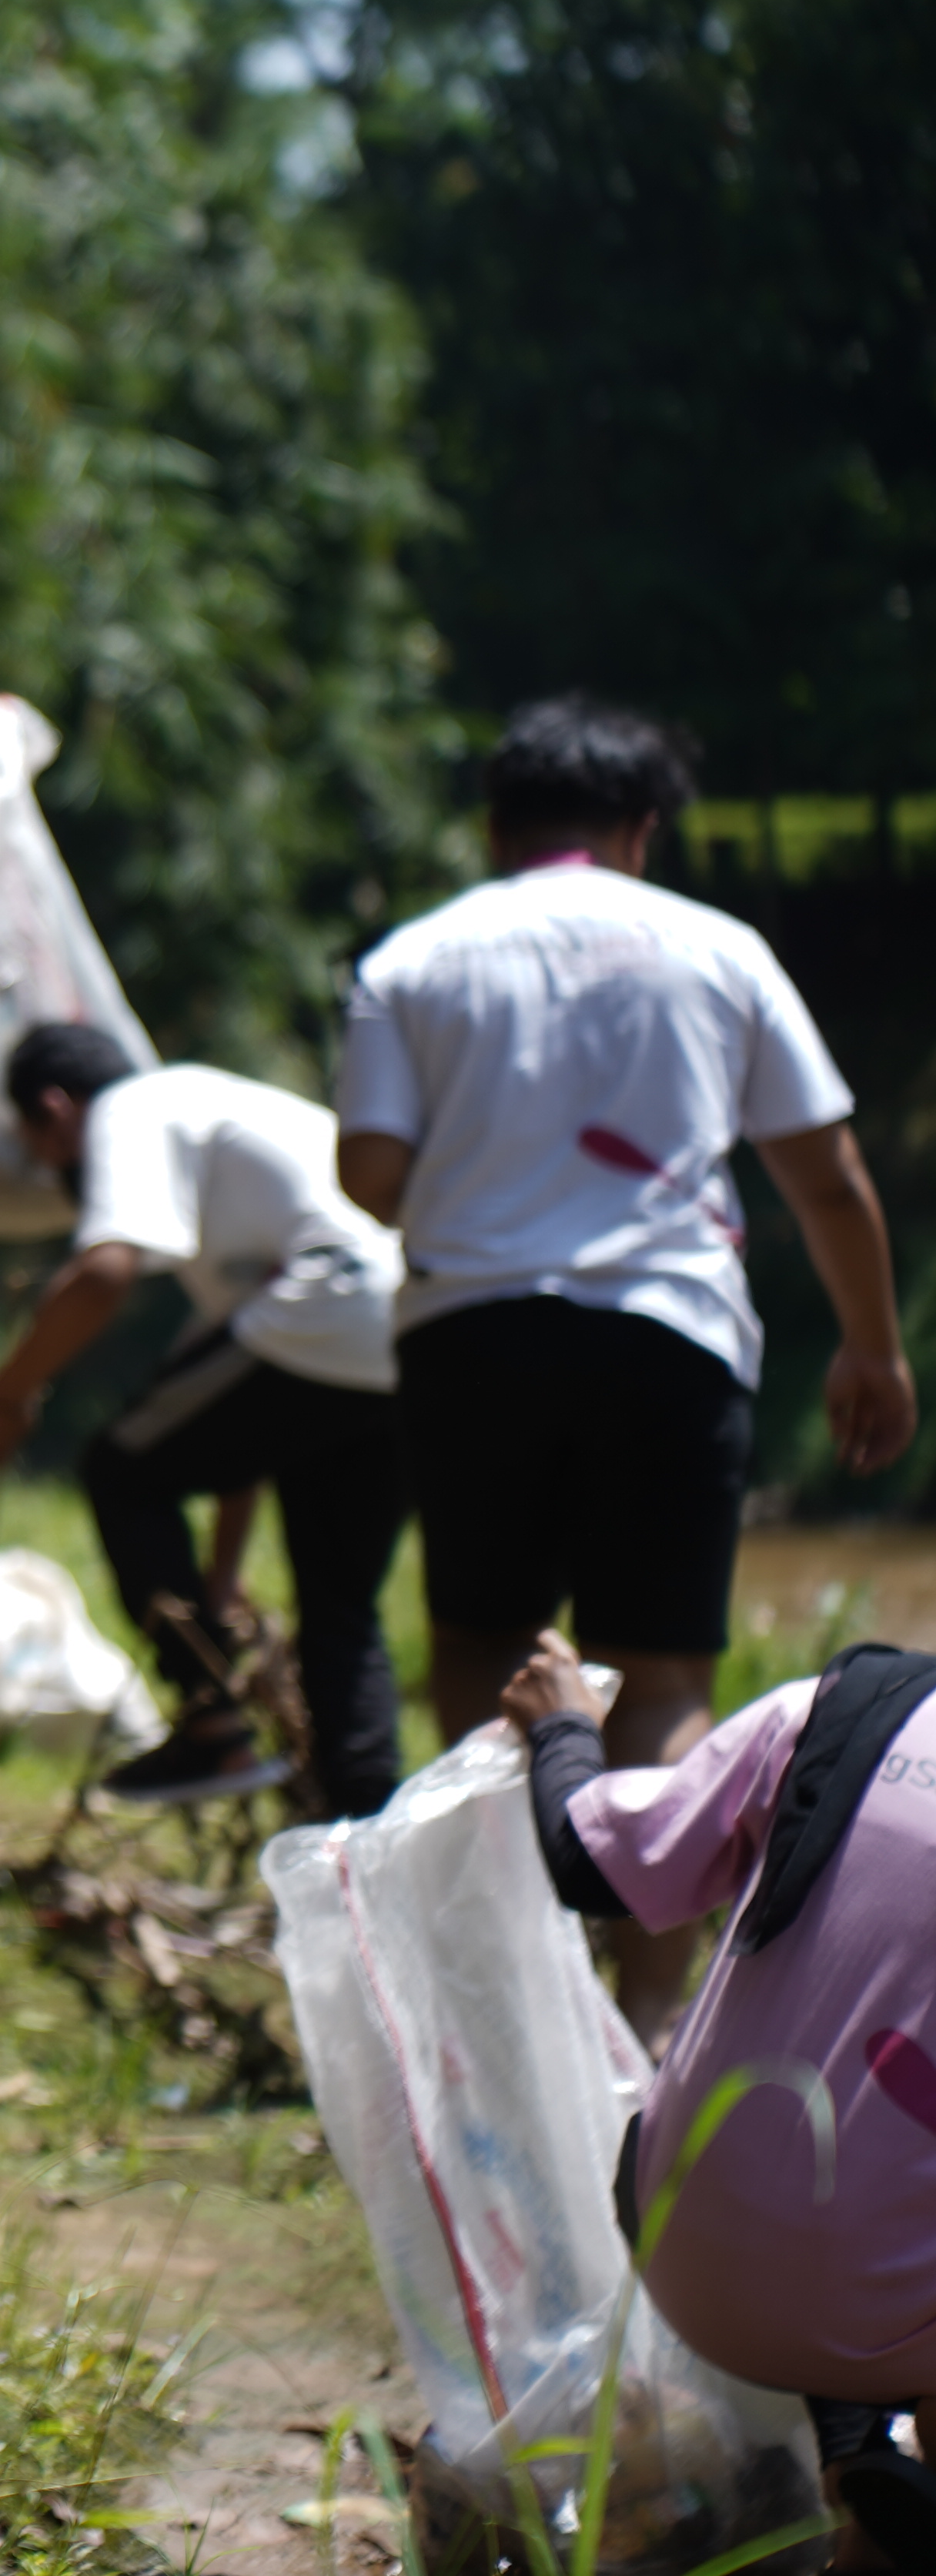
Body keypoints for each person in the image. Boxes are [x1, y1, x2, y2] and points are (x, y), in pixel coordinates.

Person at [339, 694, 915, 2032]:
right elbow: (823, 1174)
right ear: (643, 831)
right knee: (656, 1675)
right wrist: (873, 1344)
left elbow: (368, 1174)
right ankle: (655, 2025)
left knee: (486, 1653)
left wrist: (489, 1170)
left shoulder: (414, 958)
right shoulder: (721, 950)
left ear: (496, 828)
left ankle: (495, 2017)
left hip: (473, 1334)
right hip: (669, 1336)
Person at [507, 1636, 936, 2568]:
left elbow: (591, 1859)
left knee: (856, 2171)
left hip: (685, 2242)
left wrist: (566, 1727)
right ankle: (886, 2481)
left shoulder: (836, 1709)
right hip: (889, 2302)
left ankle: (865, 2479)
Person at [0, 1025, 408, 1818]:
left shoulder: (132, 1108)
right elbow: (233, 1412)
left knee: (119, 1466)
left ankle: (210, 1723)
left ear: (54, 1107)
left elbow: (103, 1273)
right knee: (340, 1605)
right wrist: (216, 1579)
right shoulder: (221, 1118)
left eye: (40, 1147)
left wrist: (6, 1393)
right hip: (401, 1339)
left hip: (323, 1309)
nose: (50, 1170)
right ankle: (364, 1827)